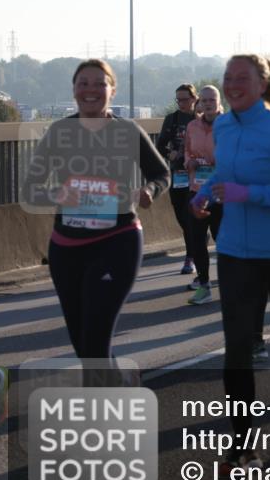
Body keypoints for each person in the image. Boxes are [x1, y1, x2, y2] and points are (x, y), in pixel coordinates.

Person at [190, 53, 270, 471]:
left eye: (242, 77)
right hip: (235, 252)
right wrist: (205, 192)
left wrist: (247, 194)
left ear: (263, 84)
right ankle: (242, 444)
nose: (232, 84)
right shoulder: (223, 126)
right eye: (228, 77)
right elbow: (225, 172)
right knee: (238, 347)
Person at [22, 59, 170, 372]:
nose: (91, 90)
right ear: (74, 90)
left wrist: (150, 192)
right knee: (82, 343)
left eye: (99, 83)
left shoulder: (127, 131)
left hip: (117, 240)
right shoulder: (59, 132)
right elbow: (31, 188)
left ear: (112, 90)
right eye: (83, 83)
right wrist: (56, 194)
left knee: (95, 341)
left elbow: (161, 173)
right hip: (66, 247)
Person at [183, 85, 223, 305]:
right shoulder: (192, 126)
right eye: (204, 100)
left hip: (221, 191)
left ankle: (230, 281)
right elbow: (187, 151)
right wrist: (189, 161)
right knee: (197, 240)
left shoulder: (228, 125)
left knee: (222, 239)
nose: (208, 103)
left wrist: (217, 161)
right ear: (199, 103)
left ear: (219, 101)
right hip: (197, 189)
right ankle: (205, 285)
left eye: (212, 99)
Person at [156, 84, 199, 278]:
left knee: (191, 217)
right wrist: (169, 153)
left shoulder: (200, 119)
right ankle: (195, 246)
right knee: (182, 217)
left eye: (184, 99)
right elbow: (160, 145)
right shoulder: (172, 120)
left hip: (198, 176)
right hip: (178, 174)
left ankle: (191, 257)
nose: (181, 103)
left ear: (193, 98)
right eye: (178, 100)